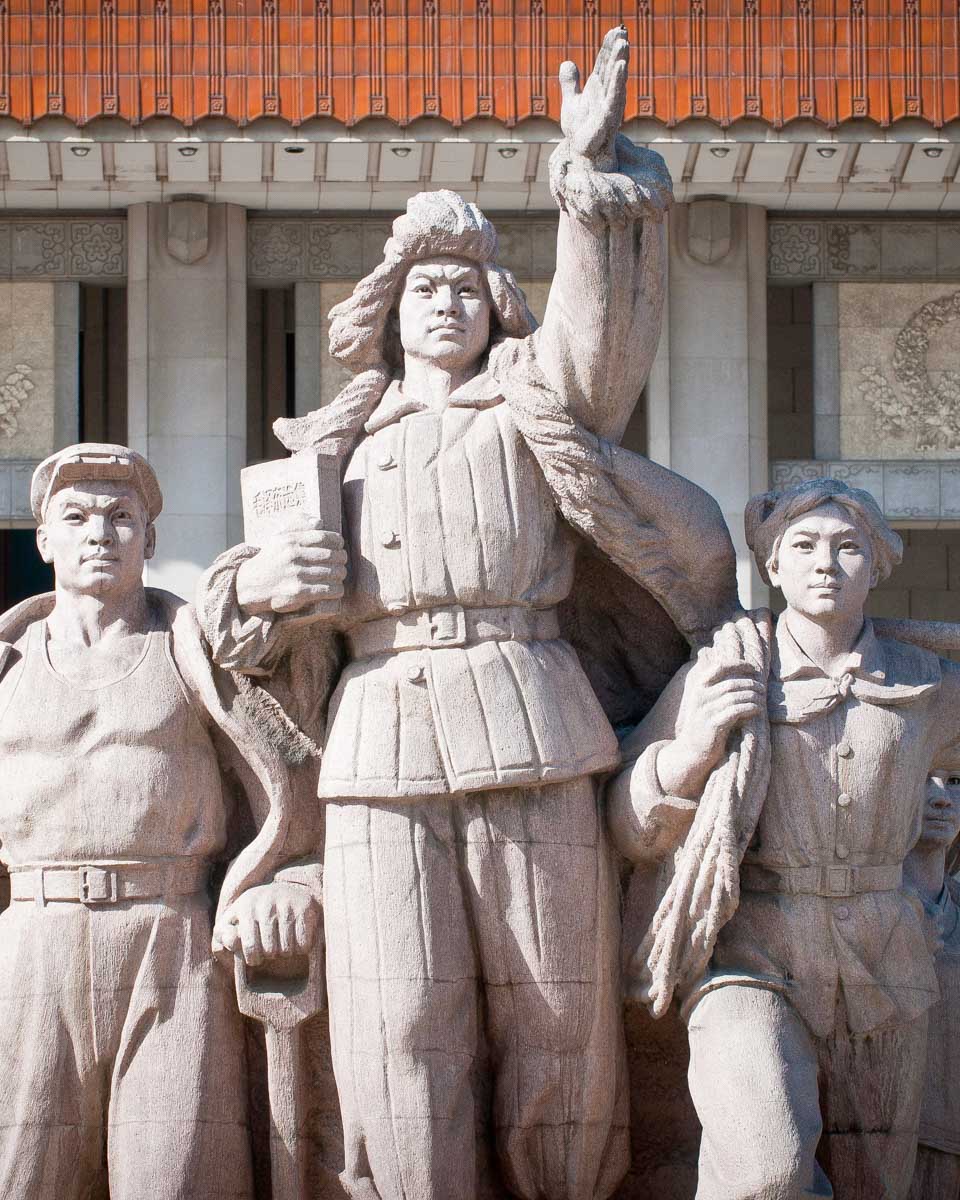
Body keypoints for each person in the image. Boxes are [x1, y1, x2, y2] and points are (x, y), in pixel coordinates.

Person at [196, 27, 737, 1200]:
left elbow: (600, 343)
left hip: (531, 720)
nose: (443, 303)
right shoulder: (330, 446)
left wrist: (585, 187)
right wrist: (260, 592)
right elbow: (233, 614)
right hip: (379, 742)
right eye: (420, 288)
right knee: (398, 1031)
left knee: (555, 1016)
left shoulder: (539, 405)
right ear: (386, 314)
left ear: (498, 307)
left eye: (463, 287)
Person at [607, 477, 960, 1200]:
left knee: (878, 1185)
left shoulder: (929, 685)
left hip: (888, 962)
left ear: (879, 564)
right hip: (751, 952)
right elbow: (629, 825)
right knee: (765, 1171)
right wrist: (694, 749)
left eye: (847, 547)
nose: (824, 563)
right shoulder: (726, 668)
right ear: (771, 567)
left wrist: (930, 844)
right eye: (803, 546)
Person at [0, 443, 322, 1200]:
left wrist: (291, 882)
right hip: (31, 942)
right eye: (75, 517)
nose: (99, 534)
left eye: (122, 518)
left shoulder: (197, 657)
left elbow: (292, 779)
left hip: (171, 938)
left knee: (176, 1178)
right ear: (42, 538)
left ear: (151, 540)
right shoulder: (7, 665)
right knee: (23, 1178)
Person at [906, 768, 960, 1200]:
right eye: (925, 778)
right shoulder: (866, 909)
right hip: (901, 1142)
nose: (942, 798)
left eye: (956, 781)